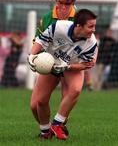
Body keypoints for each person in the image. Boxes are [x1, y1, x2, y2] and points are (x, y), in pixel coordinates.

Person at [28, 9, 98, 140]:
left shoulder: (91, 43)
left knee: (76, 89)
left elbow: (87, 64)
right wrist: (32, 55)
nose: (94, 30)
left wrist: (67, 67)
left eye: (94, 26)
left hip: (72, 66)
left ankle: (57, 124)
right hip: (51, 63)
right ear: (78, 25)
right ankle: (45, 132)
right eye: (90, 26)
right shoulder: (59, 27)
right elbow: (41, 41)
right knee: (38, 103)